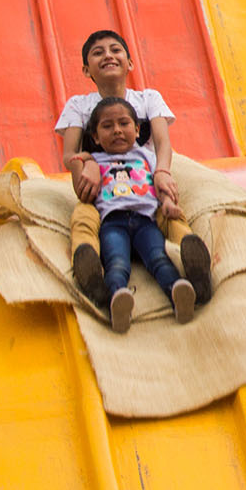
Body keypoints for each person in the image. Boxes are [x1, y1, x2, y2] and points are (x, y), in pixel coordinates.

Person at [58, 29, 212, 307]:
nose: (108, 55)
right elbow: (69, 154)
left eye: (115, 50)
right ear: (86, 69)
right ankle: (89, 267)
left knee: (171, 212)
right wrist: (87, 162)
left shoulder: (148, 99)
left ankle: (194, 263)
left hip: (145, 189)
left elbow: (163, 144)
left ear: (129, 62)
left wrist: (162, 173)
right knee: (83, 218)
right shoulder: (79, 106)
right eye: (98, 52)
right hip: (98, 194)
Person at [78, 96, 197, 332]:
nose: (117, 131)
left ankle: (178, 293)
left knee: (158, 258)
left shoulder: (147, 156)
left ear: (137, 128)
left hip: (145, 222)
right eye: (107, 126)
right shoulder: (96, 161)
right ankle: (117, 300)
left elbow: (159, 184)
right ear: (95, 137)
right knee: (117, 263)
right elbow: (79, 171)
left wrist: (167, 203)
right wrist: (84, 159)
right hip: (113, 223)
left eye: (124, 123)